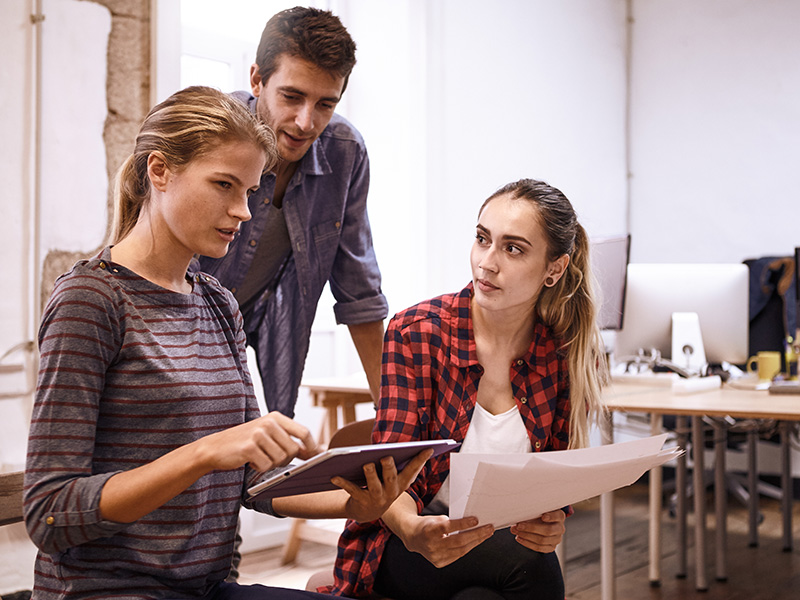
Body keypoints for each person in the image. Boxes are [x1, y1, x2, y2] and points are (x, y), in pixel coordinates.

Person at [23, 86, 431, 600]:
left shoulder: (217, 302)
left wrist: (355, 505)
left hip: (209, 588)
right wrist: (204, 453)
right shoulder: (91, 300)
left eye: (250, 192)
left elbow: (251, 483)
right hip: (106, 589)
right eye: (224, 185)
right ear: (160, 171)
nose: (243, 211)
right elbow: (50, 511)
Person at [325, 179, 608, 599]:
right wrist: (415, 530)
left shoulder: (564, 352)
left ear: (555, 268)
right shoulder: (417, 333)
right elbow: (388, 481)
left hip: (498, 550)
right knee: (531, 563)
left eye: (513, 249)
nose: (486, 263)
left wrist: (550, 522)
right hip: (406, 543)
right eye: (482, 239)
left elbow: (553, 482)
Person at [196, 6, 387, 417]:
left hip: (272, 325)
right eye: (292, 96)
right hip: (182, 335)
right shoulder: (210, 132)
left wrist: (393, 412)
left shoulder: (345, 153)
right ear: (256, 79)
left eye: (325, 104)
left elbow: (360, 290)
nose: (306, 122)